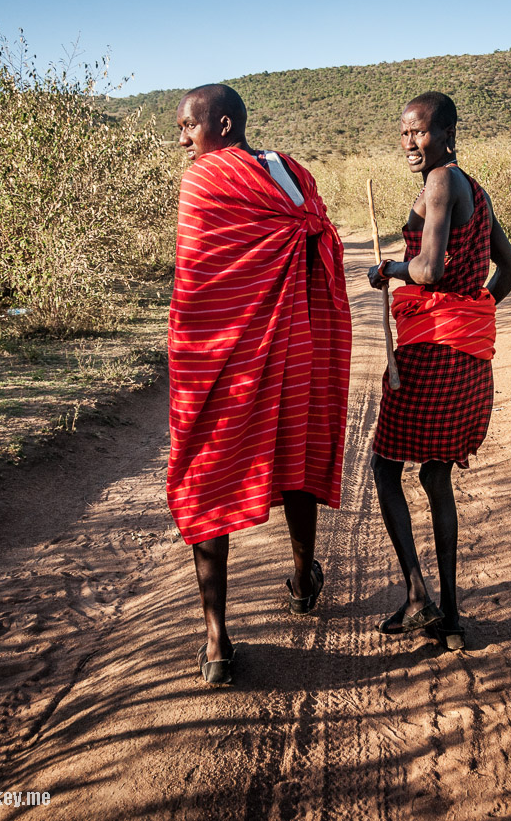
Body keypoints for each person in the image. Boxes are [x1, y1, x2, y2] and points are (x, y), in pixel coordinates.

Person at [168, 84, 352, 684]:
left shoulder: (202, 179)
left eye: (188, 127)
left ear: (222, 124)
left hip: (223, 356)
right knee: (296, 450)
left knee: (208, 469)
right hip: (298, 339)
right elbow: (313, 240)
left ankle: (216, 641)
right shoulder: (292, 171)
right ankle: (303, 579)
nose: (183, 140)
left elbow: (198, 285)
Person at [367, 91, 511, 650]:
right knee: (435, 477)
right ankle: (450, 617)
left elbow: (429, 269)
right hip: (467, 362)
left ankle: (417, 598)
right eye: (404, 132)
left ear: (448, 133)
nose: (410, 142)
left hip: (431, 356)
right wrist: (471, 316)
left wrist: (390, 269)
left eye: (420, 132)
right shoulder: (474, 190)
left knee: (385, 468)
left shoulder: (439, 182)